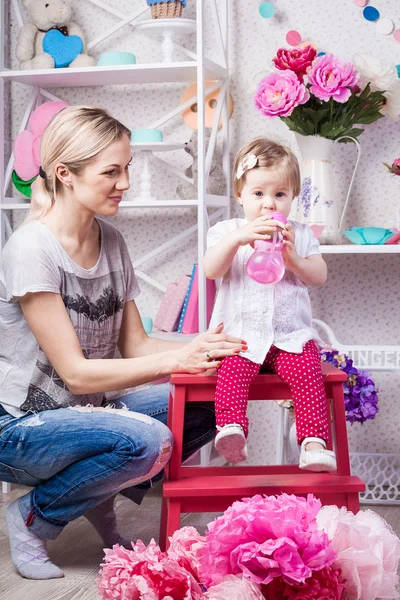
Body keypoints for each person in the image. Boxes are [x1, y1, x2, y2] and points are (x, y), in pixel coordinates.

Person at [0, 105, 244, 580]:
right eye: (111, 171)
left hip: (88, 412)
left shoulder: (110, 239)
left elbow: (135, 345)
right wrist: (179, 359)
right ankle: (33, 514)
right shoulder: (32, 249)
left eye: (126, 167)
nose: (126, 182)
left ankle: (92, 494)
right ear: (65, 174)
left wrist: (209, 347)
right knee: (148, 441)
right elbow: (74, 373)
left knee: (218, 396)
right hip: (21, 428)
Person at [204, 137, 337, 471]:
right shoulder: (227, 230)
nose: (269, 204)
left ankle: (313, 443)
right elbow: (211, 270)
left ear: (293, 196)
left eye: (280, 194)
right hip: (242, 338)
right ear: (240, 195)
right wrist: (238, 240)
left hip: (289, 338)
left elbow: (319, 275)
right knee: (231, 374)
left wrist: (294, 259)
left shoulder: (301, 234)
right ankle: (231, 429)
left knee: (309, 374)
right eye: (258, 194)